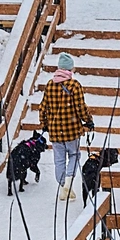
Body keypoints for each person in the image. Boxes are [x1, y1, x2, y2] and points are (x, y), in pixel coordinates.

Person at [39, 52, 94, 201]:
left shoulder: (50, 85)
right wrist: (88, 121)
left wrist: (44, 124)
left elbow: (43, 107)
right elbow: (81, 107)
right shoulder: (75, 85)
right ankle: (68, 181)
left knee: (59, 160)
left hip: (55, 131)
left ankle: (63, 184)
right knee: (75, 155)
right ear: (70, 69)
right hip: (72, 130)